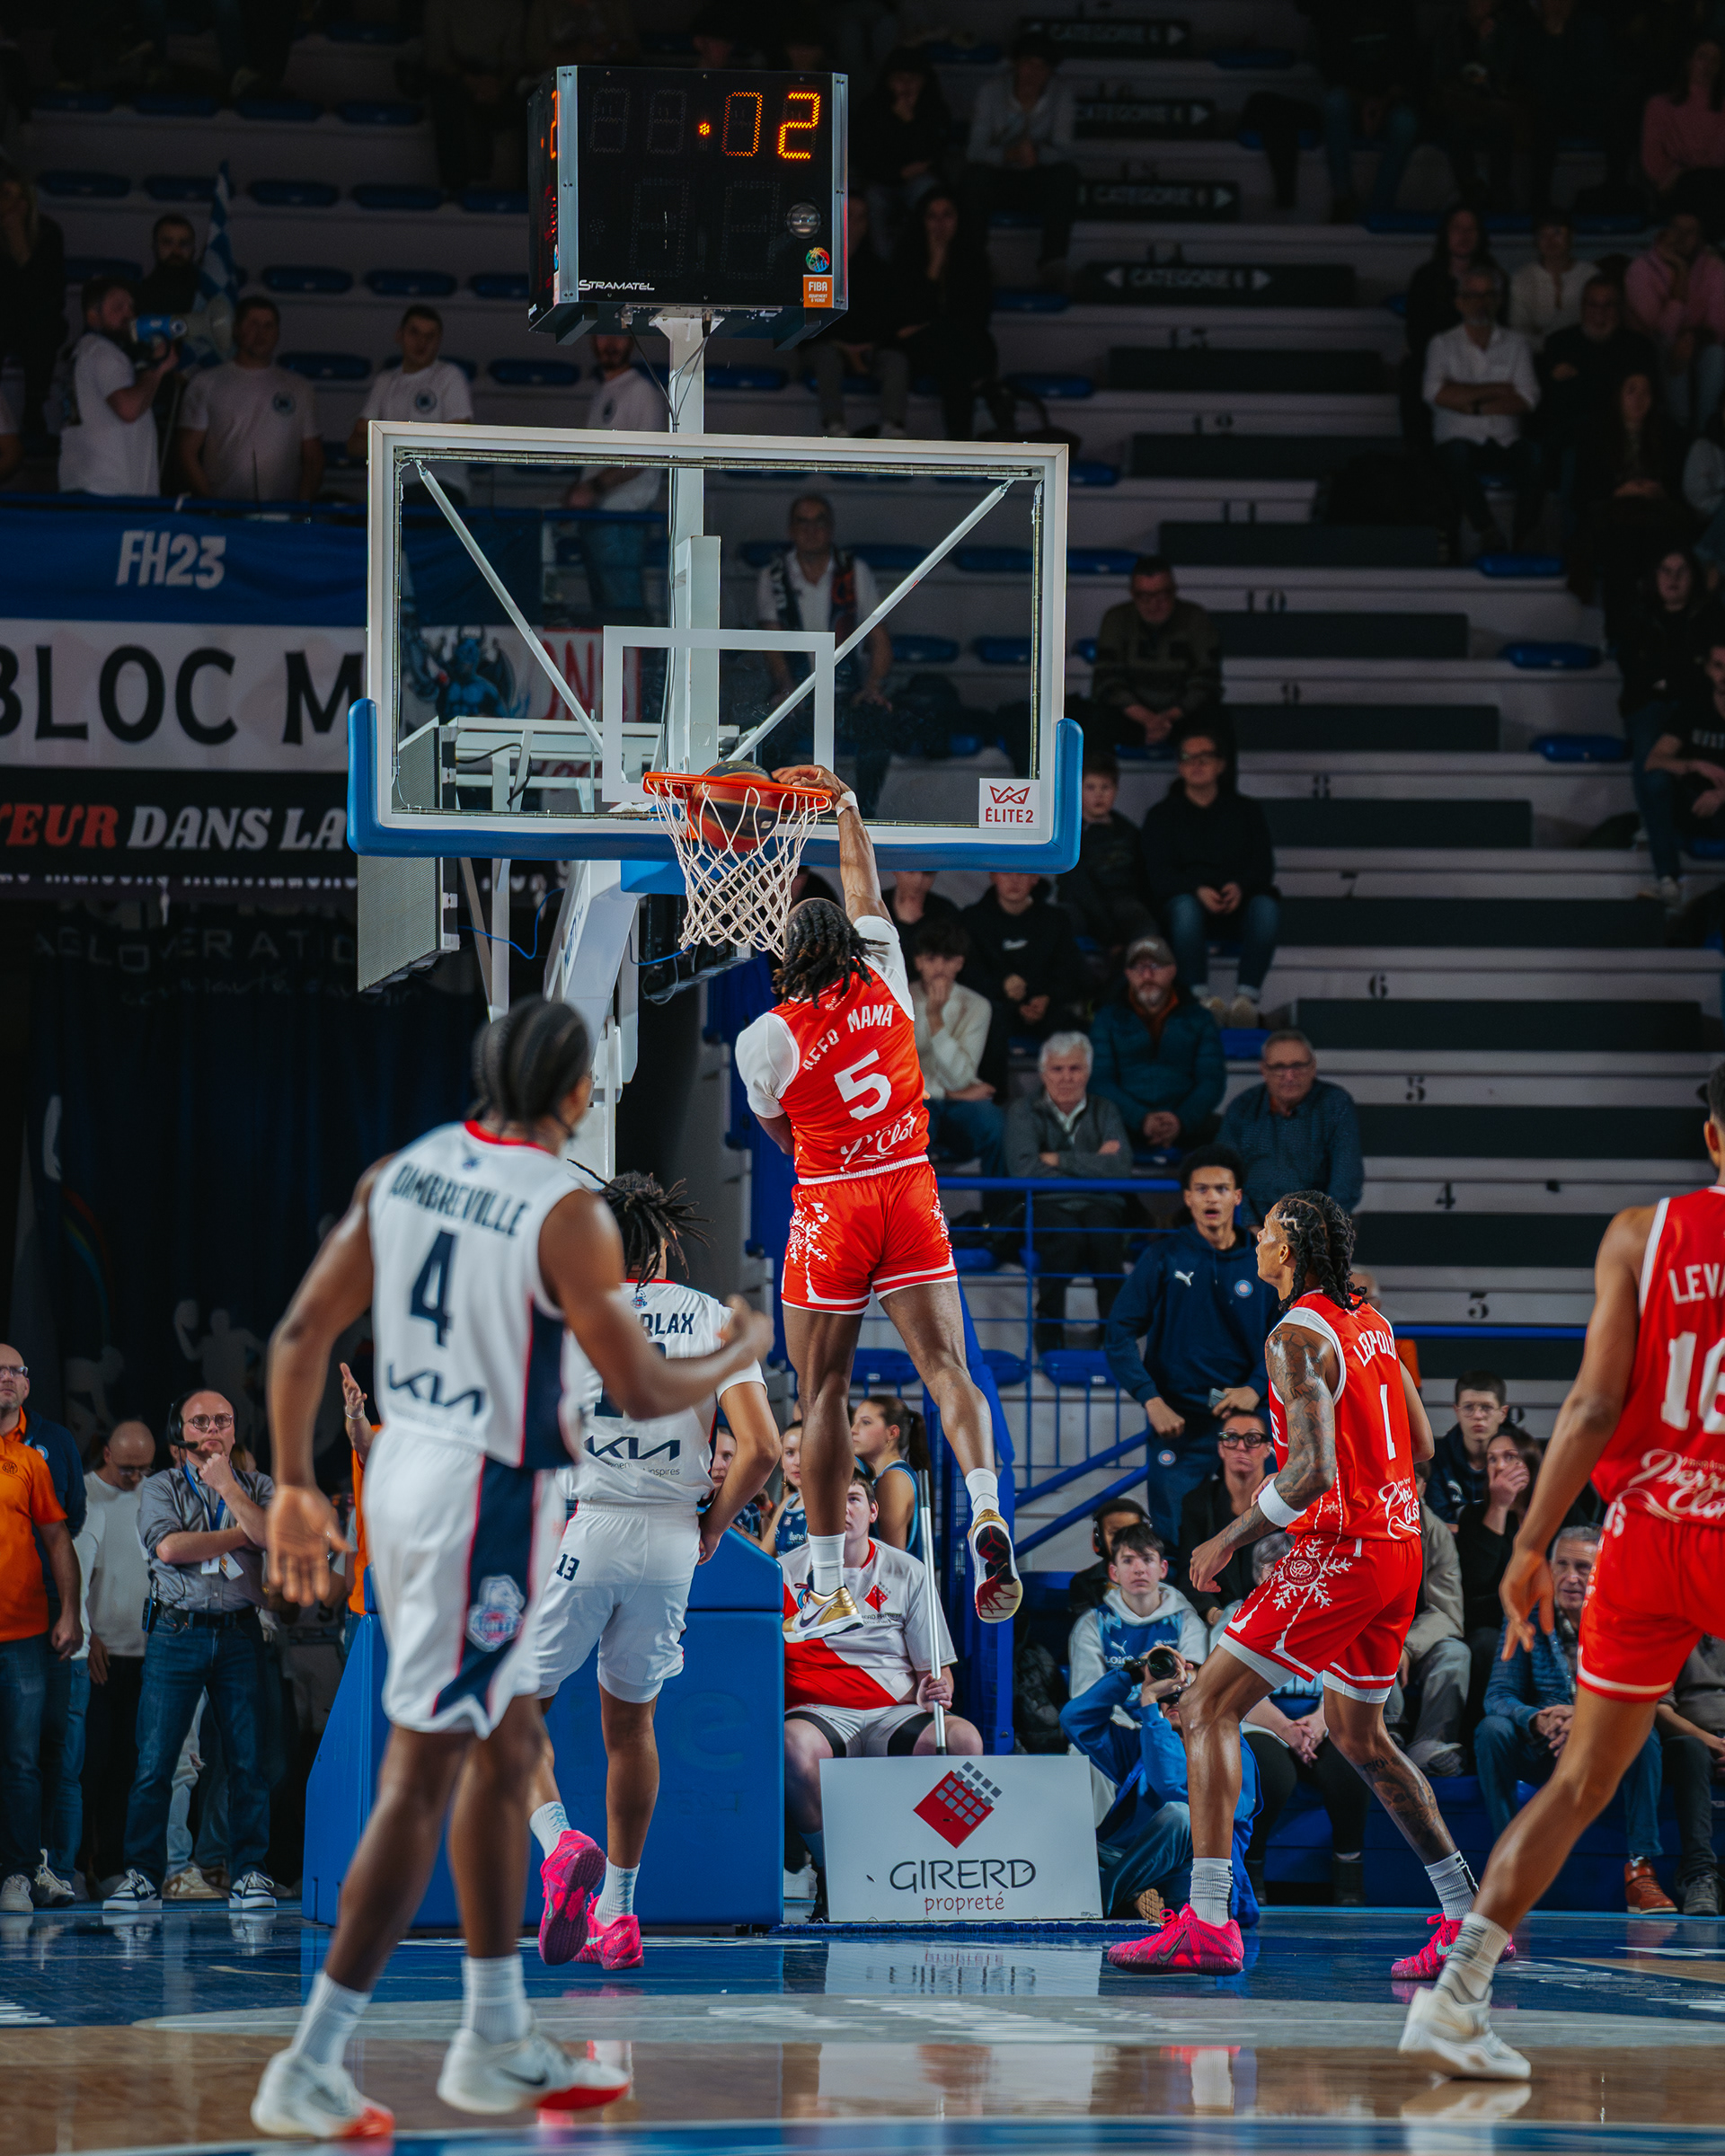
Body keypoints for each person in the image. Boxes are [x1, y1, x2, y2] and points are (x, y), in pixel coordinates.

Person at [250, 1003, 771, 2131]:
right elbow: (643, 1386)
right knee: (432, 1774)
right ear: (579, 1093)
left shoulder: (402, 1173)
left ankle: (493, 2032)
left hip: (411, 1480)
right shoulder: (563, 1213)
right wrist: (732, 1352)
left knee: (498, 1751)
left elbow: (299, 1337)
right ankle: (321, 2059)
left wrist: (293, 1482)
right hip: (486, 1497)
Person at [1396, 1066, 1725, 2080]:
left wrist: (1532, 1544)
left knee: (1582, 1780)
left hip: (1648, 1532)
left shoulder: (1640, 1235)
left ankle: (1457, 1998)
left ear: (1714, 1139)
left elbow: (1588, 1408)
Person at [1108, 1190, 1485, 1981]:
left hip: (1345, 1549)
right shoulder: (1371, 1322)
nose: (1255, 1235)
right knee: (1360, 1737)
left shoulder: (1294, 1336)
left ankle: (1208, 1920)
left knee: (1205, 1706)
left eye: (1269, 1227)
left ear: (1289, 1251)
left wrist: (1228, 1535)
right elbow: (1420, 1442)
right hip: (1399, 1549)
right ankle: (1466, 1918)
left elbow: (1310, 1472)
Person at [735, 764, 1022, 1641]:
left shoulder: (767, 1037)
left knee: (822, 1389)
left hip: (835, 1203)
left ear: (788, 957)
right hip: (910, 1186)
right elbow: (863, 885)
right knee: (948, 1369)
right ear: (851, 947)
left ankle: (829, 1582)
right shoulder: (888, 969)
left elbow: (783, 1137)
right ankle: (985, 1505)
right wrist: (847, 808)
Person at [523, 1173, 775, 1975]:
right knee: (632, 1730)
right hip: (670, 1540)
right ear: (664, 1245)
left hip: (590, 1524)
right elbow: (763, 1449)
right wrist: (713, 1525)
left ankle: (560, 1845)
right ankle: (619, 1914)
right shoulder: (713, 1317)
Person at [99, 1392, 273, 1918]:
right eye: (201, 1421)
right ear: (182, 1433)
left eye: (222, 1420)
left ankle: (249, 1873)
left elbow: (272, 1538)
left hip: (240, 1632)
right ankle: (143, 1876)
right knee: (155, 1761)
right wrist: (242, 1535)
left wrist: (228, 1489)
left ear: (235, 1430)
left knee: (248, 1761)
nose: (213, 1428)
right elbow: (170, 1548)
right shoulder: (161, 1486)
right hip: (177, 1631)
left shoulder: (258, 1486)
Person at [782, 1462, 979, 1912]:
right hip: (820, 1712)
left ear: (873, 1511)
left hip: (896, 1712)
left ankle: (929, 1869)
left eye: (853, 1499)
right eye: (830, 1501)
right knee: (792, 1745)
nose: (842, 1509)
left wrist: (937, 1689)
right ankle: (834, 1870)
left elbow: (938, 1671)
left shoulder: (908, 1571)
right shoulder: (783, 1574)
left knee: (964, 1740)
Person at [1471, 1524, 1675, 1914]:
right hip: (1543, 1741)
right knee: (1491, 1731)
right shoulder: (1527, 1612)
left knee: (1645, 1737)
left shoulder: (1625, 1618)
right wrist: (1536, 1719)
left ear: (1603, 1572)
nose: (1570, 1577)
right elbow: (1498, 1695)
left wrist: (1583, 1720)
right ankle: (1507, 1862)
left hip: (1599, 1746)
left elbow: (1648, 1697)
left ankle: (1640, 1870)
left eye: (1583, 1567)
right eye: (1561, 1565)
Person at [1104, 1144, 1281, 1542]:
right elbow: (1118, 1334)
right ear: (1187, 1198)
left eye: (1221, 1189)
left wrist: (1255, 1387)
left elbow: (1284, 1338)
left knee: (1266, 1537)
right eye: (1201, 1190)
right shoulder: (1163, 1257)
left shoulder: (1265, 1262)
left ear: (1238, 1196)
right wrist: (1151, 1400)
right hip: (1179, 1422)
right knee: (1177, 1539)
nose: (1211, 1198)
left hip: (1249, 1422)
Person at [1214, 1534, 1373, 1905]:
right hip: (1259, 1721)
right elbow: (1231, 1691)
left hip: (1322, 1720)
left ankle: (1349, 1872)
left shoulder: (1332, 1609)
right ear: (1259, 1575)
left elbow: (1347, 1679)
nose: (1287, 1575)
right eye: (1276, 1568)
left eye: (1296, 1566)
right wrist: (1286, 1729)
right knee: (1272, 1775)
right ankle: (1251, 1868)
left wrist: (1319, 1722)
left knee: (1351, 1766)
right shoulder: (1238, 1614)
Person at [1062, 1645, 1260, 1922]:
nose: (1175, 1701)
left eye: (1186, 1693)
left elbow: (1171, 1786)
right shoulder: (1144, 1745)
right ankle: (1133, 1895)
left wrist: (1150, 1710)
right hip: (1132, 1863)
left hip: (1194, 1880)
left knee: (1181, 1816)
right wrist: (1131, 1674)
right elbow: (1075, 1720)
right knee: (1062, 1834)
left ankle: (1098, 1901)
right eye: (1168, 1695)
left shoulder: (1233, 1753)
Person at [1, 1347, 87, 1909]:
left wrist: (70, 1612)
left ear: (27, 1386)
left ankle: (19, 1874)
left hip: (22, 1632)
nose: (6, 1378)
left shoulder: (33, 1458)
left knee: (23, 1759)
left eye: (15, 1371)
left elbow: (59, 1538)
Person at [756, 496, 896, 816]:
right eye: (803, 521)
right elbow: (770, 642)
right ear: (791, 529)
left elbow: (879, 638)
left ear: (831, 528)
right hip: (797, 695)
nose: (811, 529)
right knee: (766, 733)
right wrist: (786, 688)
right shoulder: (773, 575)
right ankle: (769, 813)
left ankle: (865, 814)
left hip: (847, 695)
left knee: (880, 724)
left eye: (819, 520)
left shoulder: (854, 570)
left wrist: (873, 687)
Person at [1140, 725, 1279, 1027]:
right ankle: (1198, 999)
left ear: (1221, 764)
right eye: (1188, 757)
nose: (1197, 764)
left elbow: (1263, 867)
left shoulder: (1247, 811)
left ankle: (1245, 1001)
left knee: (1266, 908)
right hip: (1186, 907)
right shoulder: (1161, 816)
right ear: (1179, 766)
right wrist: (1196, 889)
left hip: (1237, 905)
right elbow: (1157, 875)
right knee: (1185, 908)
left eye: (1205, 757)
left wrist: (1240, 887)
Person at [1004, 1033, 1135, 1353]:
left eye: (1075, 1068)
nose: (1066, 1077)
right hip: (1044, 1204)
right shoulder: (1022, 1111)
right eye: (1057, 1069)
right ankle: (1049, 1340)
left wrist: (1058, 1160)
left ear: (1088, 1072)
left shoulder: (1106, 1109)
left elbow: (1120, 1167)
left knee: (1105, 1240)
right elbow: (1024, 1170)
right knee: (1065, 1240)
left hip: (1101, 1204)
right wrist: (1094, 1164)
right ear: (1043, 1072)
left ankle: (1114, 1342)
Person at [1617, 546, 1720, 908]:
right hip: (1648, 707)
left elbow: (1707, 676)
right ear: (1654, 577)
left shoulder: (1711, 617)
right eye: (1665, 570)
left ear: (1694, 577)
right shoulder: (1638, 617)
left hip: (1696, 708)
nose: (1673, 579)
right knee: (1656, 778)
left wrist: (1669, 681)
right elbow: (1637, 676)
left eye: (1681, 571)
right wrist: (1675, 680)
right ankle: (1667, 876)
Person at [79, 1421, 155, 1894]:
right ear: (106, 1453)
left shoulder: (155, 1495)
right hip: (98, 1655)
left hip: (146, 1655)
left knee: (129, 1768)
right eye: (128, 1468)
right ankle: (73, 1863)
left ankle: (111, 1868)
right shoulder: (84, 1494)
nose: (136, 1477)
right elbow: (73, 1573)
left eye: (144, 1468)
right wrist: (89, 1635)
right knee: (89, 1767)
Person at [1423, 265, 1543, 552]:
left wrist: (1468, 402)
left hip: (1505, 440)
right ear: (1459, 301)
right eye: (1473, 295)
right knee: (1456, 454)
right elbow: (1434, 393)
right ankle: (1486, 528)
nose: (1481, 302)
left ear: (1499, 300)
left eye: (1488, 295)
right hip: (1458, 441)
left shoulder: (1517, 344)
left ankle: (1523, 537)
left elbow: (1527, 398)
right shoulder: (1442, 344)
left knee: (1536, 455)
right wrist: (1497, 389)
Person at [960, 31, 1079, 290]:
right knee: (972, 177)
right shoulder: (991, 92)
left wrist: (1037, 154)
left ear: (1050, 72)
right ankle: (975, 262)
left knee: (1067, 176)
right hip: (998, 178)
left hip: (1036, 179)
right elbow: (974, 151)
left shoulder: (1061, 95)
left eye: (1041, 66)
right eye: (1028, 63)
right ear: (1016, 64)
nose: (1033, 73)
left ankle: (1053, 263)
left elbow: (1065, 151)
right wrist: (1008, 154)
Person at [174, 296, 323, 501]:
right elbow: (186, 452)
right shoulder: (206, 382)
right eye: (253, 324)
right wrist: (211, 505)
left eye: (268, 325)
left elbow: (313, 457)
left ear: (277, 333)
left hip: (283, 513)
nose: (261, 333)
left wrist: (302, 511)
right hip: (224, 512)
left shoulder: (299, 388)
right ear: (236, 329)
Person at [1088, 932, 1225, 1153]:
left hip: (1184, 1119)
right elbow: (1100, 1081)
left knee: (1230, 1131)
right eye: (1138, 968)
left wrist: (1180, 1120)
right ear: (1128, 974)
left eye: (1155, 966)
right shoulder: (1106, 1018)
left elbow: (1211, 1080)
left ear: (1172, 970)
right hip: (1124, 1121)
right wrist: (1141, 1118)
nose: (1147, 975)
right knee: (1089, 1130)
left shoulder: (1200, 1018)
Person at [883, 187, 998, 440]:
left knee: (956, 355)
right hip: (922, 351)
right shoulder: (906, 259)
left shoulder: (974, 261)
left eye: (947, 215)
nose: (940, 224)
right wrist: (933, 269)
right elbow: (903, 319)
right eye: (932, 216)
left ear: (958, 219)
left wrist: (930, 325)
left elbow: (976, 318)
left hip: (962, 344)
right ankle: (970, 430)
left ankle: (962, 437)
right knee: (953, 358)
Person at [564, 332, 665, 620]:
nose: (610, 344)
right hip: (598, 516)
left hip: (624, 516)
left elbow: (643, 457)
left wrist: (591, 488)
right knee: (608, 611)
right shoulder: (604, 391)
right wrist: (579, 491)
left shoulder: (642, 391)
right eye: (602, 335)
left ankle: (638, 651)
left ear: (632, 340)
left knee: (623, 610)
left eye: (618, 336)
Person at [1218, 1029, 1364, 1223]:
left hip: (1316, 1226)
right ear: (1264, 1070)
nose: (1289, 1076)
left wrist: (1312, 1229)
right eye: (1279, 1067)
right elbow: (1223, 1174)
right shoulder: (1242, 1108)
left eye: (1298, 1066)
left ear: (1313, 1067)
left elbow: (1346, 1181)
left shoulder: (1335, 1105)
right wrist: (1249, 1225)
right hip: (1252, 1227)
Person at [1538, 276, 1661, 494]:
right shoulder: (1560, 343)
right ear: (1582, 307)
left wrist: (1581, 378)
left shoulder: (1639, 347)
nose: (1599, 312)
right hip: (1576, 433)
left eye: (1608, 305)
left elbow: (1646, 397)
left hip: (1625, 432)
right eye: (1592, 305)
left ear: (1619, 308)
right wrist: (1608, 382)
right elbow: (1556, 401)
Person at [1088, 557, 1223, 755]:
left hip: (1181, 717)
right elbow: (1106, 679)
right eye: (1144, 596)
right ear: (1133, 594)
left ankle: (1210, 776)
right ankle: (1097, 776)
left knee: (1218, 719)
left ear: (1174, 591)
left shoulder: (1195, 618)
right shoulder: (1116, 618)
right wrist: (1147, 718)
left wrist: (1169, 717)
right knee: (1095, 718)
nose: (1154, 604)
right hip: (1130, 714)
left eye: (1162, 595)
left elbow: (1207, 680)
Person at [56, 276, 176, 498]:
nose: (129, 314)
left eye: (131, 307)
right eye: (118, 307)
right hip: (109, 491)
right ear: (93, 316)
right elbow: (128, 409)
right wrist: (157, 368)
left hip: (92, 485)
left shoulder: (85, 352)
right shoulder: (102, 351)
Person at [959, 871, 1089, 1068]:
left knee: (1075, 1031)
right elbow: (966, 975)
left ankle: (1067, 1086)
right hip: (994, 1011)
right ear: (993, 875)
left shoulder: (1055, 919)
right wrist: (1001, 987)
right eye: (1006, 873)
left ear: (1035, 878)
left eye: (1022, 873)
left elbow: (1072, 973)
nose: (1014, 880)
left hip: (1047, 1009)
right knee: (986, 1021)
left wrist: (1047, 997)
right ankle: (989, 1089)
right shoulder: (971, 919)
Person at [1067, 1522, 1209, 1699]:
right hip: (1114, 1716)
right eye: (1128, 1561)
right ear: (1113, 1572)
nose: (1139, 1569)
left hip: (1171, 1715)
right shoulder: (1092, 1624)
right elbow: (1085, 1699)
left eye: (1147, 1559)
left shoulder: (1187, 1621)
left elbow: (1196, 1688)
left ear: (1163, 1568)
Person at [1309, 0, 1420, 222]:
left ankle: (1379, 207)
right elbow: (1331, 71)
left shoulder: (1402, 9)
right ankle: (1343, 197)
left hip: (1387, 105)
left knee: (1406, 123)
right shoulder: (1337, 10)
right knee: (1335, 102)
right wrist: (1363, 104)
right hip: (1351, 103)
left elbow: (1408, 68)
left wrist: (1382, 104)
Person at [1457, 1430, 1541, 1720]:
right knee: (1484, 1642)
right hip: (1493, 1624)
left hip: (1545, 1616)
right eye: (1492, 1459)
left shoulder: (1557, 1512)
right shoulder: (1473, 1516)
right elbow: (1476, 1582)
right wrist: (1499, 1506)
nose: (1500, 1466)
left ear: (1529, 1463)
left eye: (1510, 1457)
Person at [910, 919, 1005, 1175]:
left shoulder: (977, 1005)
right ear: (918, 962)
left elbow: (961, 1078)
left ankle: (1000, 1202)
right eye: (931, 959)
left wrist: (935, 1019)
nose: (939, 968)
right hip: (913, 1100)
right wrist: (949, 1094)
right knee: (916, 1123)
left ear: (960, 963)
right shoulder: (898, 999)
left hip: (957, 1105)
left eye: (948, 959)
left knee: (993, 1123)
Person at [808, 193, 906, 439]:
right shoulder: (816, 264)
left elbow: (887, 320)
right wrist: (843, 348)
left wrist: (864, 349)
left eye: (861, 218)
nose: (855, 223)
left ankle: (892, 428)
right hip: (828, 347)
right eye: (849, 216)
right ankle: (835, 426)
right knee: (826, 356)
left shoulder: (878, 269)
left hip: (869, 350)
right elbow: (810, 320)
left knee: (895, 360)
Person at [1057, 748, 1157, 977]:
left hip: (1123, 904)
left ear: (1116, 790)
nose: (1098, 795)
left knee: (1144, 924)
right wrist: (1111, 936)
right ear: (1078, 790)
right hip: (1081, 905)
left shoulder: (1129, 832)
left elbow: (1142, 880)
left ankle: (1138, 984)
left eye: (1105, 787)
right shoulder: (1068, 834)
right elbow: (1076, 886)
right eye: (1090, 787)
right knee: (1063, 919)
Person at [1401, 1456, 1471, 1778]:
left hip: (1417, 1638)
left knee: (1455, 1654)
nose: (1403, 1486)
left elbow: (1448, 1612)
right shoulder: (1360, 1523)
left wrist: (1407, 1646)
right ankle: (1386, 1735)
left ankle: (1430, 1745)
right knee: (1370, 1651)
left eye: (1411, 1479)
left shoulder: (1436, 1533)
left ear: (1422, 1486)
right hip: (1373, 1633)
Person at [1175, 1410, 1277, 1628]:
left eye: (1252, 1439)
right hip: (1219, 1621)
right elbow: (1188, 1572)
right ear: (1220, 1448)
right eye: (1230, 1438)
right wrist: (1216, 1616)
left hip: (1275, 1615)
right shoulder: (1197, 1502)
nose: (1241, 1447)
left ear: (1268, 1449)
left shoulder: (1284, 1501)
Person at [1626, 209, 1725, 432]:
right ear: (1664, 232)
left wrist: (1691, 337)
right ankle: (1678, 429)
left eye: (1690, 232)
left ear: (1700, 237)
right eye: (1676, 229)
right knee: (1672, 346)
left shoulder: (1714, 267)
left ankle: (1705, 430)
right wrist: (1680, 272)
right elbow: (1662, 331)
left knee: (1717, 354)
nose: (1681, 237)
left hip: (1696, 346)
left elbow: (1719, 327)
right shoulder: (1641, 268)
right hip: (1650, 351)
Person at [1641, 632, 1725, 875]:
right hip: (1694, 804)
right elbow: (1653, 761)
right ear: (1707, 668)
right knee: (1656, 781)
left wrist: (1721, 795)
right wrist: (1694, 764)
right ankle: (1668, 879)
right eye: (1718, 666)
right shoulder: (1695, 707)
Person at [855, 48, 951, 256]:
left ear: (924, 81)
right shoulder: (871, 108)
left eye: (913, 79)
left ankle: (927, 260)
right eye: (900, 79)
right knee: (873, 199)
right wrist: (898, 174)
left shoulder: (934, 108)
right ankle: (883, 263)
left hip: (920, 181)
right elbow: (865, 157)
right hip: (880, 182)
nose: (906, 85)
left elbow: (935, 154)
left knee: (928, 192)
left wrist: (909, 122)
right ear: (888, 80)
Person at [422, 0, 526, 196]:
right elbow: (436, 57)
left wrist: (498, 85)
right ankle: (456, 189)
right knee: (447, 98)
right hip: (453, 77)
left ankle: (516, 194)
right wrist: (471, 81)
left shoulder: (512, 6)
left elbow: (514, 58)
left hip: (497, 79)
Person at [1429, 0, 1524, 211]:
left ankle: (1500, 195)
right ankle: (1471, 193)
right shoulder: (1450, 27)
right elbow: (1440, 76)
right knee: (1455, 126)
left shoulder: (1505, 29)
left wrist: (1486, 43)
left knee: (1501, 126)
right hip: (1458, 104)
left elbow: (1505, 76)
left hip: (1492, 105)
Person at [347, 306, 473, 463]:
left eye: (430, 336)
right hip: (391, 476)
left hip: (439, 476)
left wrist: (390, 439)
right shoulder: (385, 380)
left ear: (439, 341)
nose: (422, 342)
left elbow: (458, 440)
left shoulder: (450, 376)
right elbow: (355, 445)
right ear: (399, 335)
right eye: (414, 333)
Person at [1654, 1633, 1725, 1912]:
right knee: (1691, 1750)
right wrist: (1713, 1743)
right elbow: (1661, 1710)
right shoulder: (1671, 1633)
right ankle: (1699, 1873)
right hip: (1689, 1742)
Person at [0, 158, 66, 447]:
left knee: (46, 324)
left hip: (34, 317)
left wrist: (20, 247)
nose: (14, 205)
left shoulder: (48, 233)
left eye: (20, 197)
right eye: (5, 195)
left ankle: (34, 408)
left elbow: (46, 294)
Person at [1641, 39, 1725, 227]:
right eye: (1702, 57)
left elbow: (1719, 158)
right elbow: (1653, 161)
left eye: (1715, 60)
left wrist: (1687, 164)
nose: (1708, 65)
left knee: (1709, 183)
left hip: (1716, 184)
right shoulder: (1659, 106)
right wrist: (1679, 172)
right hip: (1675, 186)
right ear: (1689, 61)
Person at [1425, 1368, 1510, 1522]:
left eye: (1487, 1408)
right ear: (1456, 1411)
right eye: (1468, 1407)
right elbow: (1437, 1522)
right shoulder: (1436, 1457)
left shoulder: (1519, 1457)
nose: (1477, 1415)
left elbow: (1519, 1521)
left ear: (1503, 1413)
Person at [1509, 210, 1600, 350]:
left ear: (1571, 235)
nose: (1550, 240)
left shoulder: (1590, 275)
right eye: (1543, 234)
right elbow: (1518, 331)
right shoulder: (1523, 278)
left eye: (1557, 233)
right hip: (1537, 355)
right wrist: (1550, 346)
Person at [850, 1393, 927, 1554]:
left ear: (892, 1433)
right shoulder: (881, 1477)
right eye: (854, 1422)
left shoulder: (894, 1479)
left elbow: (891, 1558)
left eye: (865, 1422)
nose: (853, 1430)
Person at [1067, 1496, 1154, 1614]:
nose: (1123, 1539)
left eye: (1132, 1531)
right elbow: (1088, 1622)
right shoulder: (1084, 1583)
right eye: (1115, 1533)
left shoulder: (1159, 1576)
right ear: (1099, 1538)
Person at [881, 868, 960, 974]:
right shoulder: (877, 907)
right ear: (895, 869)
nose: (918, 881)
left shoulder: (946, 912)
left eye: (928, 873)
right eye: (910, 871)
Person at [758, 1412, 808, 1557]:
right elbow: (764, 1557)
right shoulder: (789, 1502)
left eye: (805, 1451)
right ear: (781, 1460)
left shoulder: (828, 1506)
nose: (797, 1462)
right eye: (790, 1453)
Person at [132, 213, 200, 317]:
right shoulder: (140, 294)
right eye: (168, 243)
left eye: (184, 244)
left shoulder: (207, 291)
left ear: (193, 249)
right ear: (155, 247)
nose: (176, 251)